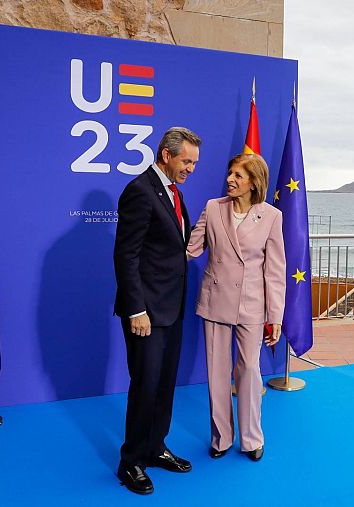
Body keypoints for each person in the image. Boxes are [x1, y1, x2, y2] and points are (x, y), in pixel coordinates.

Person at [113, 127, 200, 495]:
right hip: (146, 313)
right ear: (166, 154)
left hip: (172, 309)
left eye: (194, 162)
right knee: (145, 386)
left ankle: (155, 447)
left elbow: (176, 247)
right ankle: (131, 461)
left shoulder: (173, 194)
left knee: (165, 385)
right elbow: (126, 255)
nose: (191, 168)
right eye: (186, 161)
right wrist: (136, 310)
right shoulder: (139, 191)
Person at [187, 153, 285, 462]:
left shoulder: (271, 216)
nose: (230, 179)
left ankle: (252, 438)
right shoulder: (213, 208)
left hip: (252, 303)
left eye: (238, 175)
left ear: (254, 183)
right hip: (215, 299)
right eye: (230, 173)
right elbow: (191, 248)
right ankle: (221, 438)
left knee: (250, 370)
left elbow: (275, 270)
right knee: (217, 373)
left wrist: (276, 316)